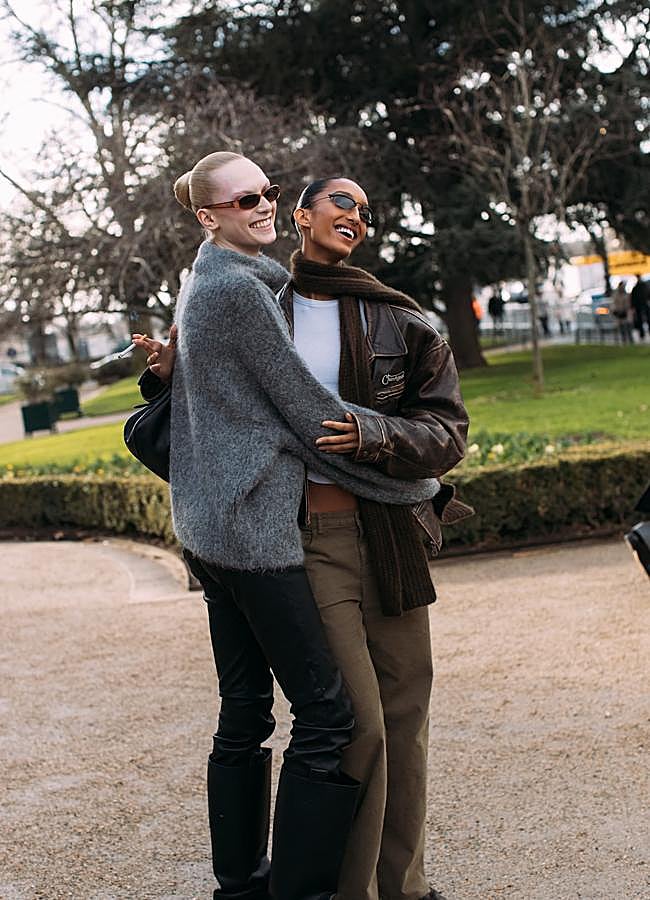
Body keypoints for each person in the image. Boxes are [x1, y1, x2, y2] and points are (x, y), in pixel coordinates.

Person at [134, 152, 458, 900]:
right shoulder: (259, 294)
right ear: (303, 219)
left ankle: (394, 885)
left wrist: (389, 449)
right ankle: (330, 890)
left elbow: (443, 426)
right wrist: (415, 481)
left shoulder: (393, 314)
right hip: (297, 533)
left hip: (382, 536)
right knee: (345, 724)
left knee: (400, 717)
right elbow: (283, 417)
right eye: (336, 201)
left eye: (367, 210)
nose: (355, 216)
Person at [630, 274, 649, 340]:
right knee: (642, 319)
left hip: (641, 305)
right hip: (642, 305)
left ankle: (642, 334)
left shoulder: (638, 287)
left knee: (642, 319)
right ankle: (642, 334)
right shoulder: (644, 286)